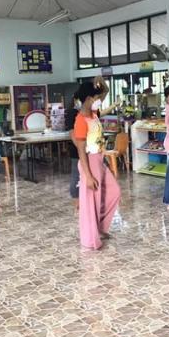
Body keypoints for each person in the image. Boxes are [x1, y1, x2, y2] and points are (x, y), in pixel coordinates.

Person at [73, 81, 121, 250]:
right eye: (96, 97)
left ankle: (99, 227)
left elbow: (105, 91)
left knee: (114, 192)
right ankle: (90, 239)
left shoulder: (94, 114)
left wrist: (100, 79)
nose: (99, 100)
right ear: (88, 99)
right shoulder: (80, 120)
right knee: (90, 202)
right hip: (89, 162)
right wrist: (87, 176)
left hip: (99, 161)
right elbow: (81, 150)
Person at [66, 92, 81, 209]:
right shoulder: (72, 112)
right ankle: (76, 201)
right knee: (76, 174)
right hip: (77, 149)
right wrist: (79, 147)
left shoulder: (84, 112)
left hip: (85, 147)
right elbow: (72, 133)